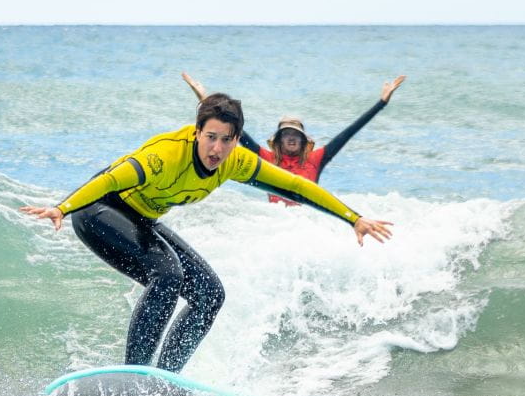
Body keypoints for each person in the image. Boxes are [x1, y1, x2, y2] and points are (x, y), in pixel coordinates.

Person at [20, 94, 392, 373]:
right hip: (97, 209)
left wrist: (353, 218)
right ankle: (133, 376)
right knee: (167, 274)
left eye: (227, 139)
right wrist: (63, 207)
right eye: (210, 137)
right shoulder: (166, 154)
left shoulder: (236, 162)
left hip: (141, 219)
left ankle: (164, 380)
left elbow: (296, 187)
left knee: (210, 294)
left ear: (236, 140)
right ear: (197, 132)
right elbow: (111, 179)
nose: (217, 148)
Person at [182, 72, 405, 205]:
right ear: (278, 140)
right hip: (277, 223)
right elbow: (233, 128)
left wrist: (381, 103)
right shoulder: (267, 158)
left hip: (305, 223)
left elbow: (350, 132)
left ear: (303, 140)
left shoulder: (317, 159)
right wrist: (204, 98)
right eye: (286, 134)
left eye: (295, 134)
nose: (290, 138)